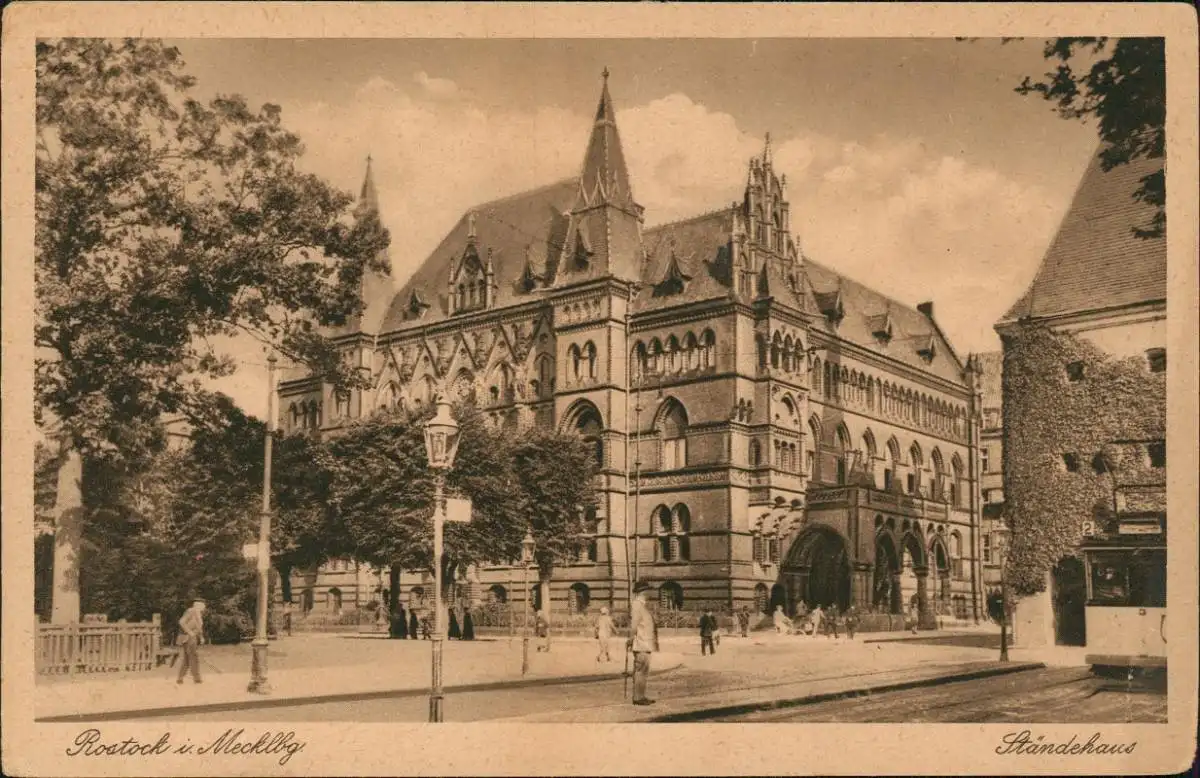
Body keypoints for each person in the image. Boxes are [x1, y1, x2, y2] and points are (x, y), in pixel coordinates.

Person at [628, 580, 659, 705]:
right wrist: (630, 639)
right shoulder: (637, 605)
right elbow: (634, 625)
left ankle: (641, 695)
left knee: (643, 671)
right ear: (643, 592)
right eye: (648, 590)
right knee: (640, 671)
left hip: (645, 644)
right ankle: (638, 697)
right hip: (641, 643)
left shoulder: (642, 605)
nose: (649, 593)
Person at [175, 598, 207, 685]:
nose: (204, 607)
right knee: (193, 657)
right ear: (197, 605)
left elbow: (198, 627)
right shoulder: (191, 611)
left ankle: (180, 678)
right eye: (203, 605)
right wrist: (190, 632)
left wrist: (201, 637)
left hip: (192, 637)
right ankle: (197, 678)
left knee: (187, 658)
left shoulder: (198, 613)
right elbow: (181, 622)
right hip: (187, 637)